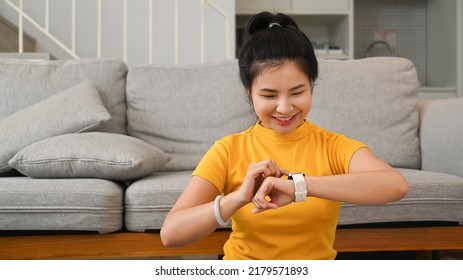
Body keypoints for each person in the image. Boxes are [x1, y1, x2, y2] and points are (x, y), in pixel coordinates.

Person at [160, 11, 408, 260]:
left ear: (311, 85)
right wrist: (238, 198)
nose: (285, 108)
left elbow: (395, 185)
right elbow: (171, 234)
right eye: (269, 96)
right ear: (250, 93)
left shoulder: (333, 146)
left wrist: (299, 186)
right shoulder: (228, 150)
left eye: (297, 92)